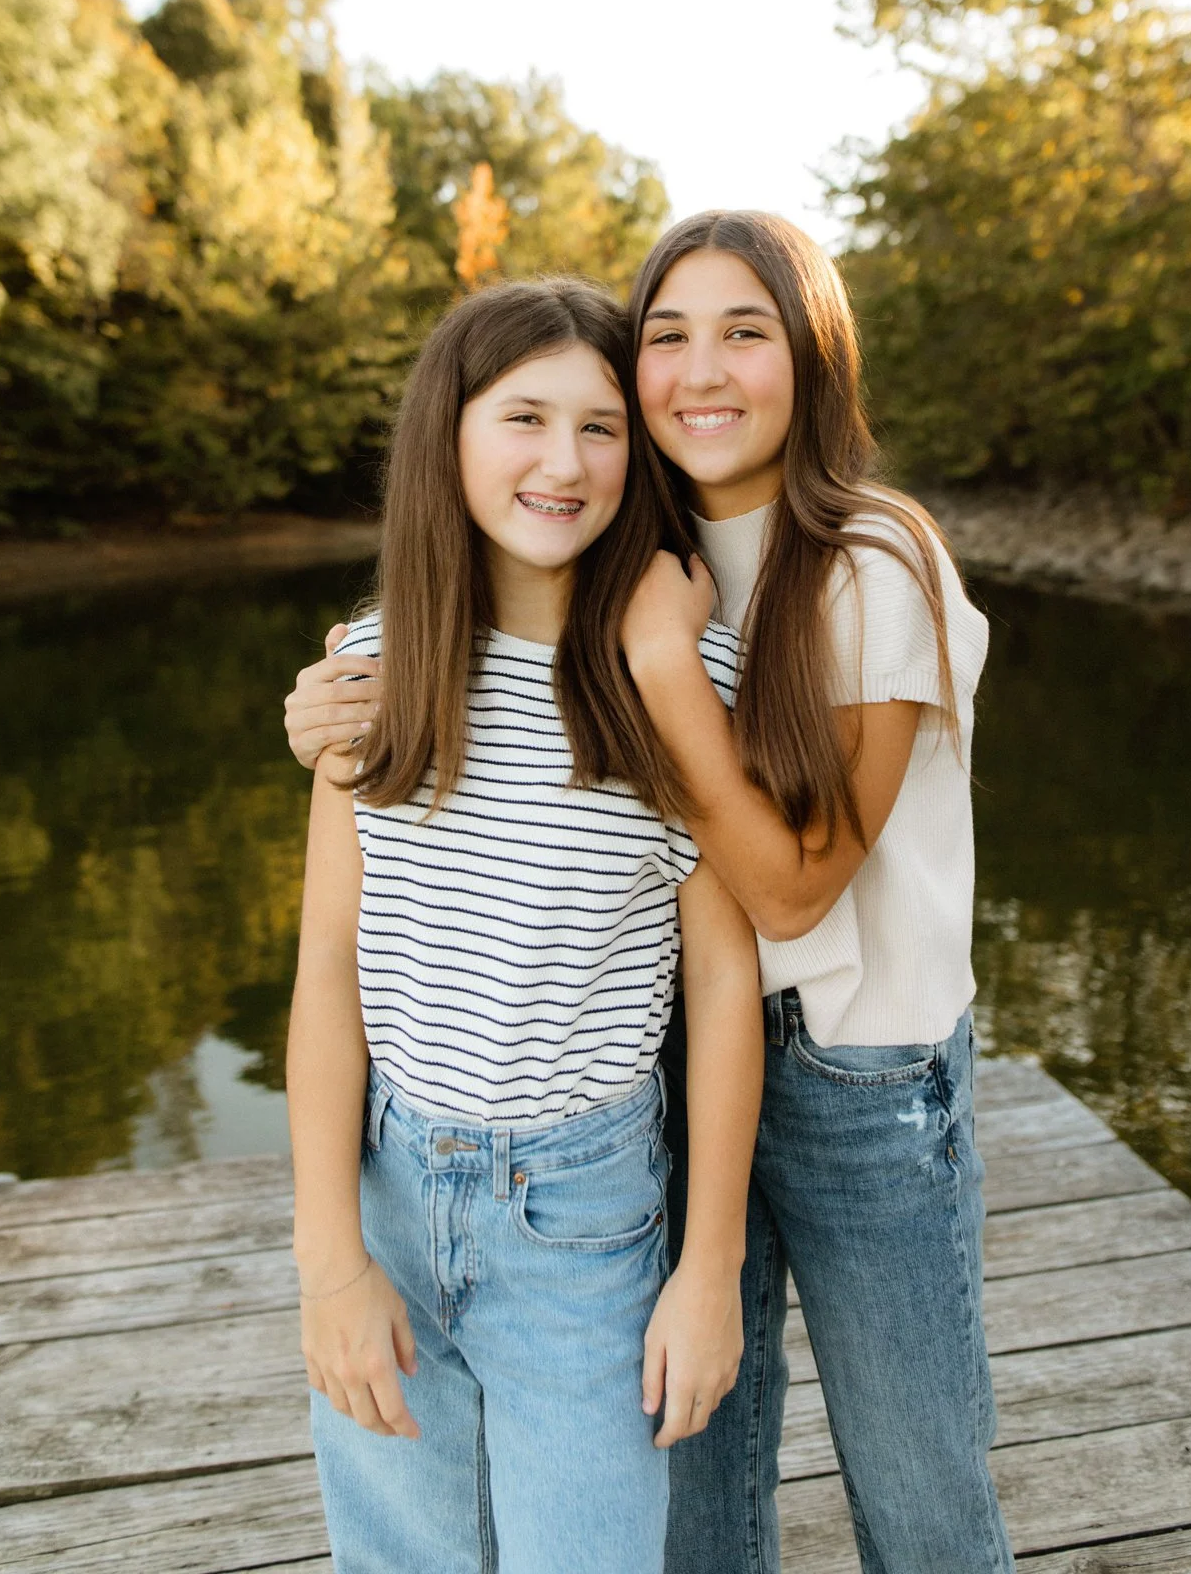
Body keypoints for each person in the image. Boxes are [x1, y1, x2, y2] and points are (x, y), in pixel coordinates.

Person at [285, 216, 1014, 1574]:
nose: (702, 371)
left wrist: (669, 671)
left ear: (814, 358)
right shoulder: (632, 539)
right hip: (657, 1072)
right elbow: (352, 923)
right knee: (695, 1491)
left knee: (915, 1483)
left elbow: (787, 899)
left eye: (749, 331)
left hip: (857, 1072)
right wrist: (327, 708)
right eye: (668, 335)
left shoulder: (864, 563)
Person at [287, 278, 763, 1574]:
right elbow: (330, 964)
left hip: (585, 1221)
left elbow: (725, 985)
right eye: (525, 419)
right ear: (450, 432)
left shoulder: (677, 675)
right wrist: (329, 1259)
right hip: (390, 1185)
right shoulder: (373, 671)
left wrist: (708, 1265)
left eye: (603, 426)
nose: (566, 462)